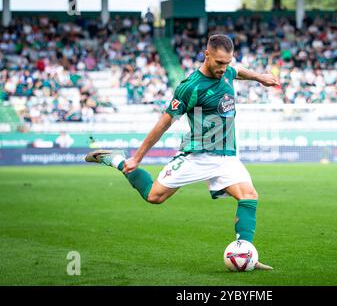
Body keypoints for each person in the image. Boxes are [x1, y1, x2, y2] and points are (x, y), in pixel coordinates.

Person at [85, 34, 279, 270]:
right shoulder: (190, 88)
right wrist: (137, 157)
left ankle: (245, 253)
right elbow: (164, 123)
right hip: (197, 155)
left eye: (226, 62)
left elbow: (237, 71)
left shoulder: (227, 71)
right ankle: (116, 159)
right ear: (207, 55)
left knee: (249, 196)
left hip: (227, 157)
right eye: (219, 62)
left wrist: (259, 78)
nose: (223, 68)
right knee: (154, 196)